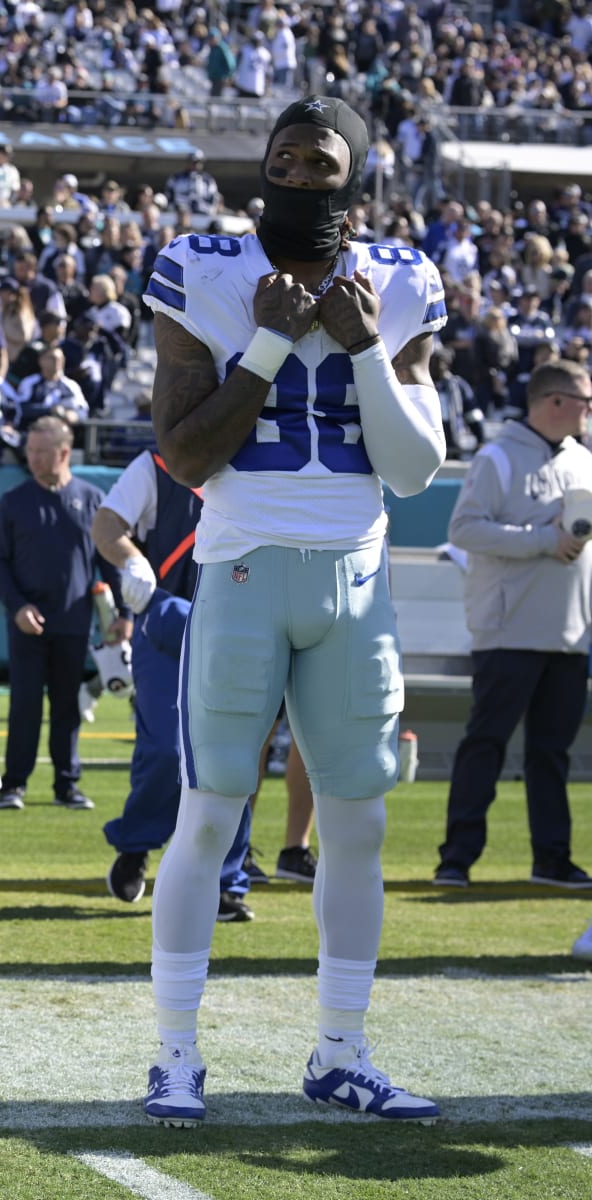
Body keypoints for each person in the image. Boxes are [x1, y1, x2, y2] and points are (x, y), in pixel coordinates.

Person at [143, 95, 448, 1127]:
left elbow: (411, 472)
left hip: (354, 580)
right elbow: (183, 456)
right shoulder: (206, 268)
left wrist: (363, 350)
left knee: (357, 822)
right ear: (259, 167)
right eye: (285, 159)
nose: (301, 176)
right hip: (242, 568)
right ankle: (176, 1054)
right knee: (209, 813)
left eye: (322, 163)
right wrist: (269, 347)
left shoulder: (399, 282)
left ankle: (340, 1050)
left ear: (353, 176)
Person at [434, 359, 592, 889]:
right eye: (583, 401)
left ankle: (551, 859)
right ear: (553, 403)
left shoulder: (584, 461)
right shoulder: (497, 456)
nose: (589, 410)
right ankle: (456, 859)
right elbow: (465, 530)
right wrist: (543, 539)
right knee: (487, 743)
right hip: (508, 630)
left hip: (570, 634)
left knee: (552, 753)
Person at [93, 448, 256, 923]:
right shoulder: (156, 466)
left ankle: (227, 879)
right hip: (166, 617)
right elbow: (106, 524)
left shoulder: (262, 459)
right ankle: (137, 841)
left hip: (240, 622)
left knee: (233, 756)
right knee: (164, 748)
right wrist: (132, 561)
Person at [0, 416, 124, 811]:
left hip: (74, 623)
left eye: (41, 451)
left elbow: (111, 561)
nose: (32, 458)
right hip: (27, 626)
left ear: (64, 453)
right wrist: (17, 608)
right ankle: (13, 785)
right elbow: (0, 564)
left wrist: (125, 612)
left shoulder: (90, 500)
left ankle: (67, 784)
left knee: (68, 708)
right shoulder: (14, 501)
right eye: (29, 450)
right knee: (25, 706)